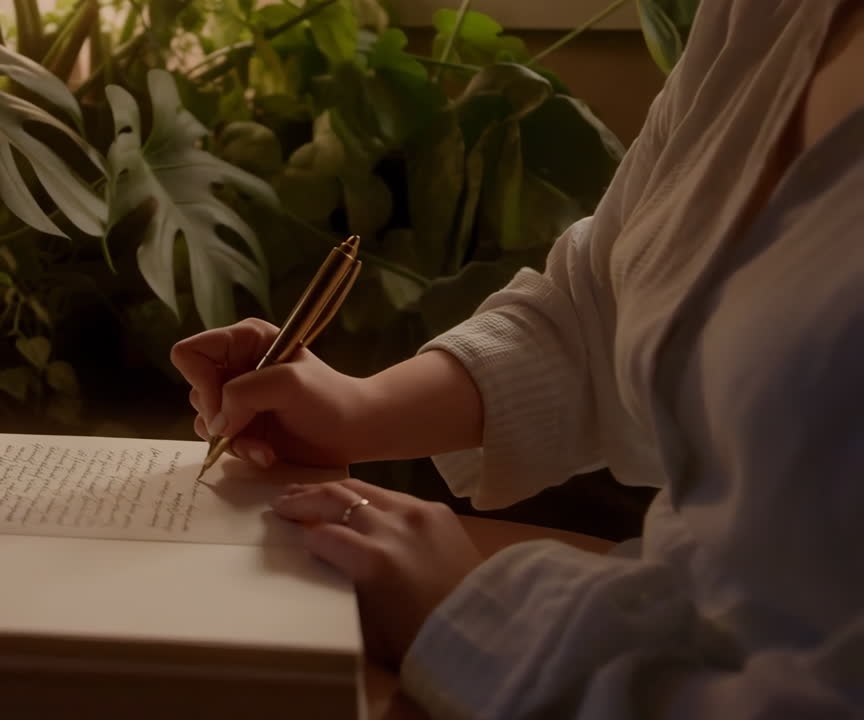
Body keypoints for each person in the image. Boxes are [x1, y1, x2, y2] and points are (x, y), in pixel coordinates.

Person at [169, 0, 864, 717]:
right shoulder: (769, 14)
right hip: (627, 635)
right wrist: (360, 410)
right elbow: (605, 294)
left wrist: (480, 633)